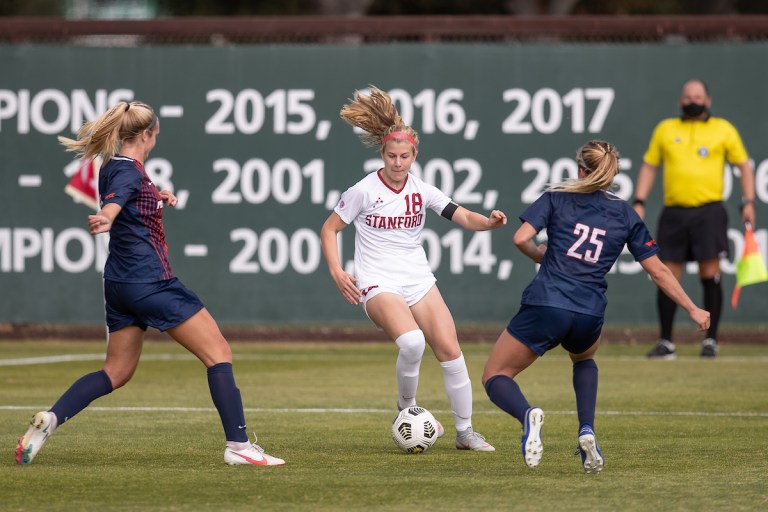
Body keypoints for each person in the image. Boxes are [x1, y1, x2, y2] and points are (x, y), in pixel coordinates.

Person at [16, 101, 284, 467]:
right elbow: (116, 203)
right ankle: (238, 446)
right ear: (147, 134)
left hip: (119, 284)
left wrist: (156, 197)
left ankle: (52, 418)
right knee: (218, 353)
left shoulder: (113, 166)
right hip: (150, 281)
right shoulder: (127, 174)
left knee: (116, 372)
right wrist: (106, 217)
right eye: (156, 133)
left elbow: (129, 197)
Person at [482, 140, 710, 473]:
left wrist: (538, 254)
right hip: (589, 313)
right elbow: (659, 271)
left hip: (548, 302)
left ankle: (527, 415)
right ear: (612, 175)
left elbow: (520, 238)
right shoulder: (624, 213)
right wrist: (692, 308)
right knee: (584, 358)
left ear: (580, 169)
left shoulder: (556, 197)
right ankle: (586, 429)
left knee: (495, 375)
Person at [320, 86, 507, 452]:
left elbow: (462, 215)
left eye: (405, 156)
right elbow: (330, 229)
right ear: (383, 154)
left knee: (451, 351)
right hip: (377, 281)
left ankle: (465, 433)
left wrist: (489, 223)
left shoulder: (421, 190)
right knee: (411, 341)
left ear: (414, 155)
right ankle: (406, 408)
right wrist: (338, 271)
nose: (398, 163)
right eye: (392, 156)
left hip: (418, 279)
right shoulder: (363, 190)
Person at [634, 79, 756, 359]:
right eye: (688, 96)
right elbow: (650, 166)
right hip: (674, 212)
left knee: (709, 273)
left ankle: (710, 340)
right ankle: (666, 342)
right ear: (680, 101)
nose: (693, 100)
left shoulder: (723, 129)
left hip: (709, 211)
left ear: (708, 101)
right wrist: (639, 200)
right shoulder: (666, 129)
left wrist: (748, 202)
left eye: (698, 96)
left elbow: (743, 166)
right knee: (666, 273)